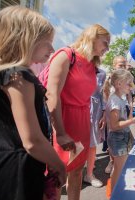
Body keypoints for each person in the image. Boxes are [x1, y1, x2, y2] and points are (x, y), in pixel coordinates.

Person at [0, 6, 66, 200]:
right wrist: (58, 165)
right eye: (47, 43)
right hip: (18, 172)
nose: (52, 49)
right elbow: (32, 140)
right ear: (25, 39)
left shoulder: (2, 74)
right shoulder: (20, 76)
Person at [45, 24, 110, 199]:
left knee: (76, 173)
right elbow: (52, 94)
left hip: (82, 122)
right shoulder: (66, 55)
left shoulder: (91, 65)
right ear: (93, 37)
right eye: (105, 42)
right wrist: (60, 132)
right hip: (62, 120)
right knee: (57, 177)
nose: (107, 48)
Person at [105, 69, 135, 192]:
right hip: (118, 138)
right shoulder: (115, 101)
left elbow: (124, 120)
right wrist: (134, 120)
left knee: (121, 168)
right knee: (119, 169)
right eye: (129, 84)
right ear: (119, 84)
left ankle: (117, 192)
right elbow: (114, 126)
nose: (132, 87)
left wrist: (133, 115)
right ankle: (115, 194)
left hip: (123, 135)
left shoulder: (119, 98)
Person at [83, 67, 106, 187]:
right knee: (76, 144)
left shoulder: (102, 73)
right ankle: (72, 173)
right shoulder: (75, 68)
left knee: (92, 144)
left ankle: (89, 174)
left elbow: (101, 94)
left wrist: (104, 112)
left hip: (95, 112)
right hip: (78, 109)